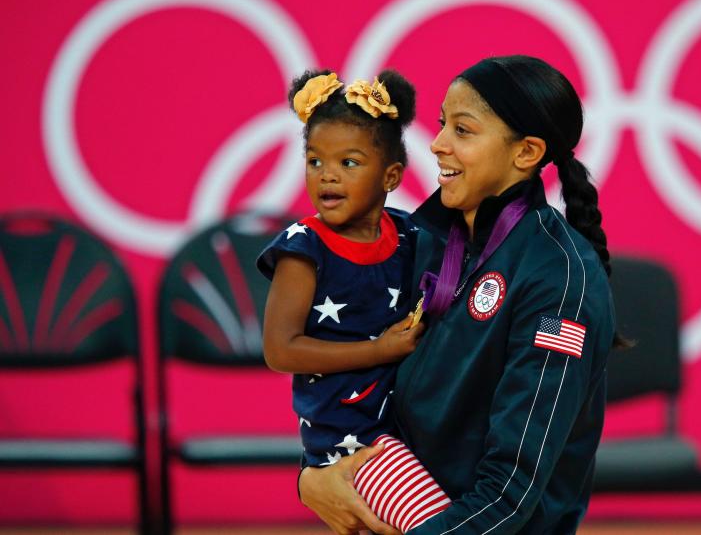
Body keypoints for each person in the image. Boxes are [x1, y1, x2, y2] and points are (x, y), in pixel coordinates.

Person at [298, 55, 619, 535]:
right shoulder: (420, 243)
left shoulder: (559, 282)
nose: (437, 143)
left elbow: (510, 494)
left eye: (463, 131)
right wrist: (312, 479)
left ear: (527, 153)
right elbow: (352, 394)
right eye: (443, 123)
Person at [257, 69, 450, 533]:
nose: (327, 176)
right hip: (352, 442)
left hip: (412, 428)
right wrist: (377, 351)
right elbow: (280, 351)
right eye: (315, 161)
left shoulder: (412, 234)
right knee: (439, 525)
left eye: (349, 163)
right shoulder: (303, 248)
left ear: (391, 176)